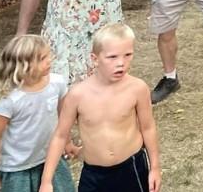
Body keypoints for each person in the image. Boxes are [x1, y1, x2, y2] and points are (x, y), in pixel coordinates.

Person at [39, 23, 160, 192]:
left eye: (127, 55)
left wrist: (155, 168)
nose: (121, 63)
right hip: (93, 174)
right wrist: (46, 181)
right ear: (95, 59)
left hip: (131, 168)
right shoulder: (77, 95)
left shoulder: (137, 88)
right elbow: (60, 136)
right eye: (112, 57)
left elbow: (148, 128)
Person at [0, 35, 74, 192]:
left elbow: (63, 118)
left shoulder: (57, 83)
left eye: (49, 55)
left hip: (51, 159)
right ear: (23, 65)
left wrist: (67, 142)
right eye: (42, 58)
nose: (49, 60)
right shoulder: (10, 100)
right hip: (17, 168)